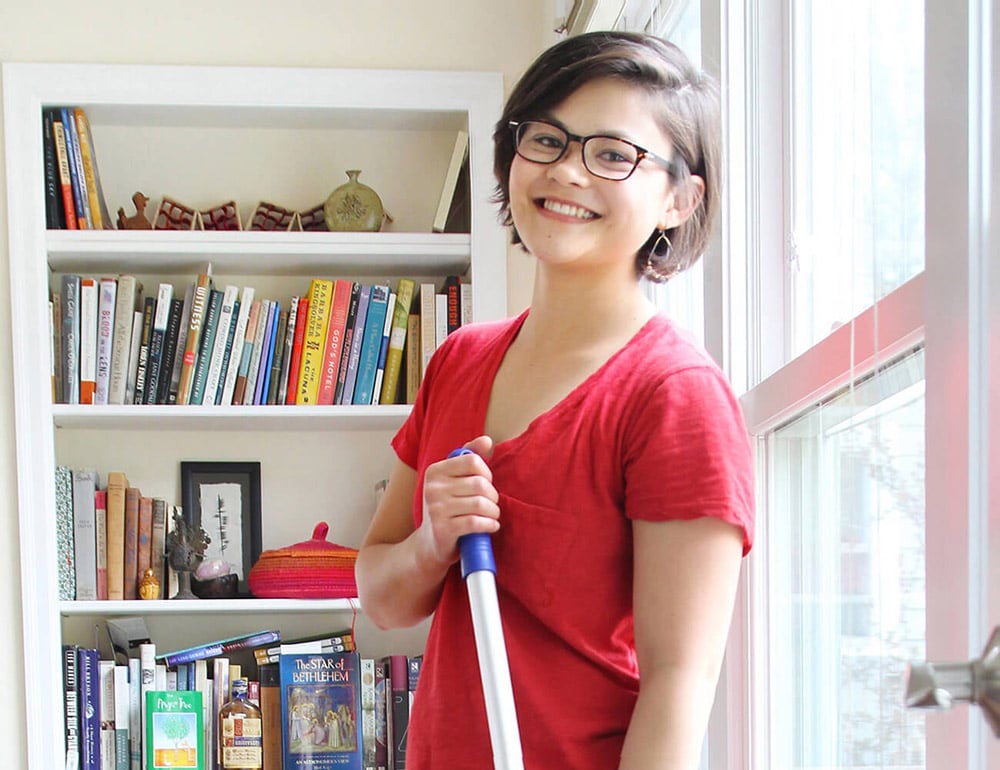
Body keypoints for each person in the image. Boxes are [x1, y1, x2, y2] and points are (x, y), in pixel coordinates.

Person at [355, 30, 755, 770]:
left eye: (612, 154)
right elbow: (382, 600)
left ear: (679, 198)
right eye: (546, 139)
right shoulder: (458, 361)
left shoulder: (676, 398)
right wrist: (432, 542)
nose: (567, 170)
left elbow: (679, 684)